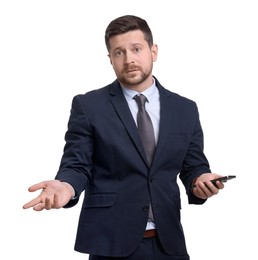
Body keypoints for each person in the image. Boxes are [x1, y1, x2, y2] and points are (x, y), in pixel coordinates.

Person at [23, 15, 225, 260]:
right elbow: (76, 165)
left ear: (154, 51)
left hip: (169, 244)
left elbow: (194, 167)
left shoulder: (185, 108)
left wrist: (201, 182)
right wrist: (66, 186)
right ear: (110, 60)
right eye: (119, 53)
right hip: (111, 244)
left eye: (136, 49)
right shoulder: (89, 106)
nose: (129, 59)